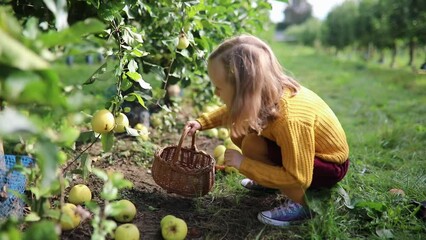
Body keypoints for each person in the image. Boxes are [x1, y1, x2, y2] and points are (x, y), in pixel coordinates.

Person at [185, 34, 350, 227]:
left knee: (252, 146)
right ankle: (268, 180)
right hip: (307, 155)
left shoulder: (291, 119)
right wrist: (202, 122)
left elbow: (298, 177)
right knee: (243, 134)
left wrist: (244, 164)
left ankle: (303, 205)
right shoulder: (266, 95)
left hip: (327, 165)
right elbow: (233, 110)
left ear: (245, 91)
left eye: (219, 87)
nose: (215, 93)